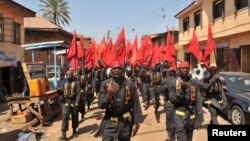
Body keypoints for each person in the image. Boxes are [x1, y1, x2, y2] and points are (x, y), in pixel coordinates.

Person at [95, 61, 143, 141]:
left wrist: (136, 123)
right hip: (110, 122)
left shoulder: (130, 84)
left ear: (123, 70)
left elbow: (136, 104)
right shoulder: (105, 84)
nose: (117, 70)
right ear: (111, 71)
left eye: (119, 68)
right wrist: (109, 95)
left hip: (125, 123)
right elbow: (101, 105)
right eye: (114, 68)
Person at [168, 61, 204, 141]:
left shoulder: (194, 82)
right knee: (182, 139)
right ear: (178, 70)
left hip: (191, 116)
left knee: (189, 139)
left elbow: (198, 101)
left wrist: (200, 119)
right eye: (183, 68)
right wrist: (182, 90)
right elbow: (172, 100)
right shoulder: (173, 83)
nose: (185, 70)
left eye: (187, 68)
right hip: (179, 116)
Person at [57, 69, 81, 140]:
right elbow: (62, 93)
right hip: (66, 103)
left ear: (72, 75)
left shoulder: (76, 83)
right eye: (67, 75)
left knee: (74, 117)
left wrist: (77, 102)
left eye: (69, 75)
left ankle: (74, 131)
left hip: (73, 102)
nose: (68, 76)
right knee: (65, 118)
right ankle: (64, 134)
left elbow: (78, 93)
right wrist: (59, 92)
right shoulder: (64, 83)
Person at [159, 67, 176, 141]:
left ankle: (174, 133)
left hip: (177, 103)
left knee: (176, 119)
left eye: (173, 72)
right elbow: (160, 90)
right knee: (169, 118)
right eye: (171, 72)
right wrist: (168, 84)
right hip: (168, 102)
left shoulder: (178, 80)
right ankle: (169, 134)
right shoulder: (165, 80)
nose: (172, 73)